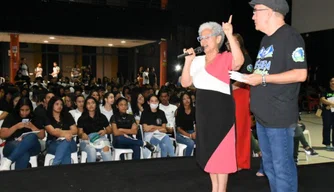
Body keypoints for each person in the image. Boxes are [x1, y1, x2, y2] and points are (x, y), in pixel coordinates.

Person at [244, 1, 308, 191]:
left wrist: (262, 79)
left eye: (256, 11)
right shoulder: (266, 40)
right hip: (264, 118)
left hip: (279, 118)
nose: (253, 16)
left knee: (282, 170)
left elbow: (300, 74)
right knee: (271, 169)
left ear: (271, 12)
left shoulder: (291, 37)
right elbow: (262, 74)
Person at [180, 16, 244, 192]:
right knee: (210, 155)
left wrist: (230, 34)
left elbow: (239, 62)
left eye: (207, 36)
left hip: (221, 113)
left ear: (218, 38)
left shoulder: (226, 57)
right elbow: (185, 82)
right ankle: (215, 189)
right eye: (201, 38)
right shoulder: (198, 61)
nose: (203, 41)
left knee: (221, 156)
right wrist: (188, 61)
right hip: (203, 113)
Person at [226, 33, 253, 170]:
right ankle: (231, 159)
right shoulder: (227, 57)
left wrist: (231, 87)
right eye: (228, 42)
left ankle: (241, 162)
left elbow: (247, 76)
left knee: (241, 128)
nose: (229, 44)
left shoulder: (245, 57)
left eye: (232, 41)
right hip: (228, 95)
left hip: (240, 94)